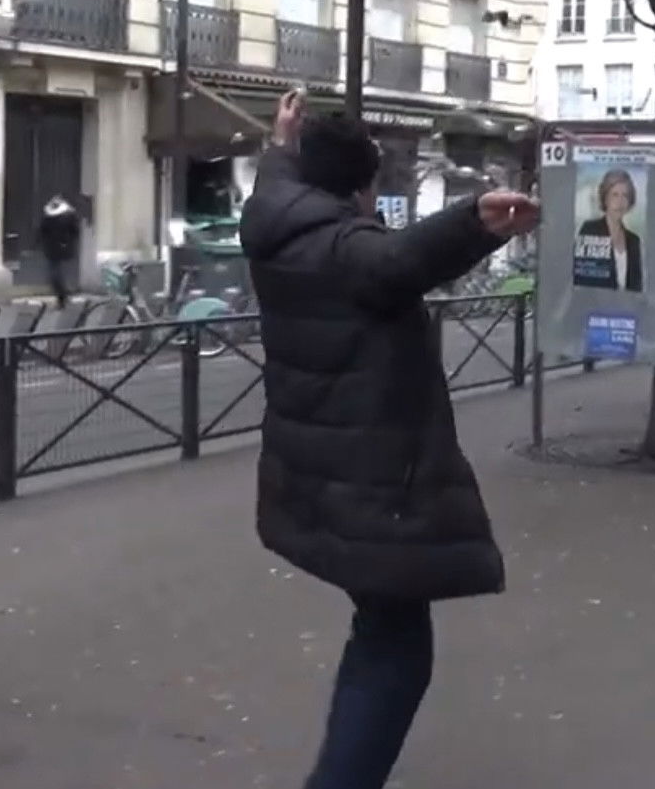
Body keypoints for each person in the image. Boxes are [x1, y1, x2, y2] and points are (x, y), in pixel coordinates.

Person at [240, 91, 540, 789]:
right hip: (375, 481)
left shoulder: (276, 225)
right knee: (396, 643)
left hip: (324, 471)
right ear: (364, 184)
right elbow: (400, 261)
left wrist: (283, 146)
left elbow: (281, 181)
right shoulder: (345, 247)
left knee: (382, 628)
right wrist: (476, 221)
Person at [573, 168, 644, 292]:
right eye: (615, 195)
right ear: (605, 198)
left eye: (625, 196)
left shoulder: (634, 241)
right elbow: (581, 276)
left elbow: (636, 286)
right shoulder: (590, 229)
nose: (620, 202)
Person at [36, 195, 81, 308]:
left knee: (57, 274)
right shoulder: (67, 214)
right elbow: (75, 231)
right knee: (55, 274)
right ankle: (63, 295)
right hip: (57, 248)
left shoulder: (64, 215)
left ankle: (63, 296)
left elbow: (42, 231)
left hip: (57, 248)